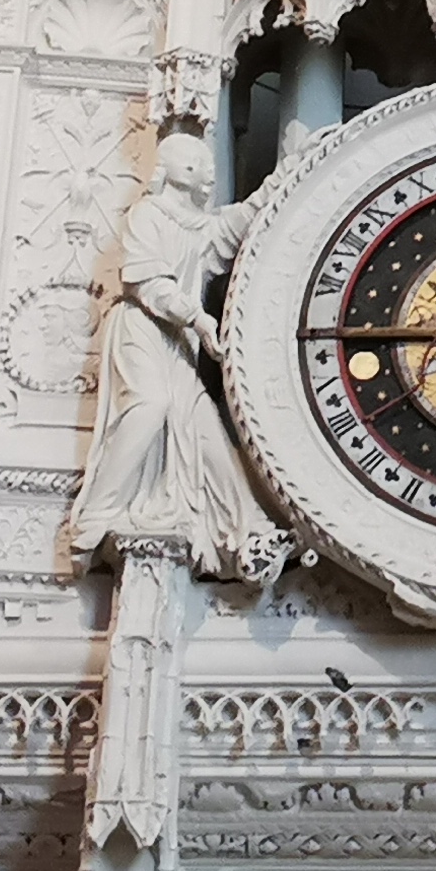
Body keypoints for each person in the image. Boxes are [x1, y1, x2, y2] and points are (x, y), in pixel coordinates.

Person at [65, 132, 278, 582]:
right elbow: (147, 283)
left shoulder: (200, 226)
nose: (206, 168)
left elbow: (242, 219)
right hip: (142, 327)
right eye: (195, 161)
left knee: (202, 422)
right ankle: (95, 518)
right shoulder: (149, 214)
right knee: (152, 405)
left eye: (206, 161)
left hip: (177, 339)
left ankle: (251, 529)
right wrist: (198, 319)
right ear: (175, 170)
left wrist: (293, 169)